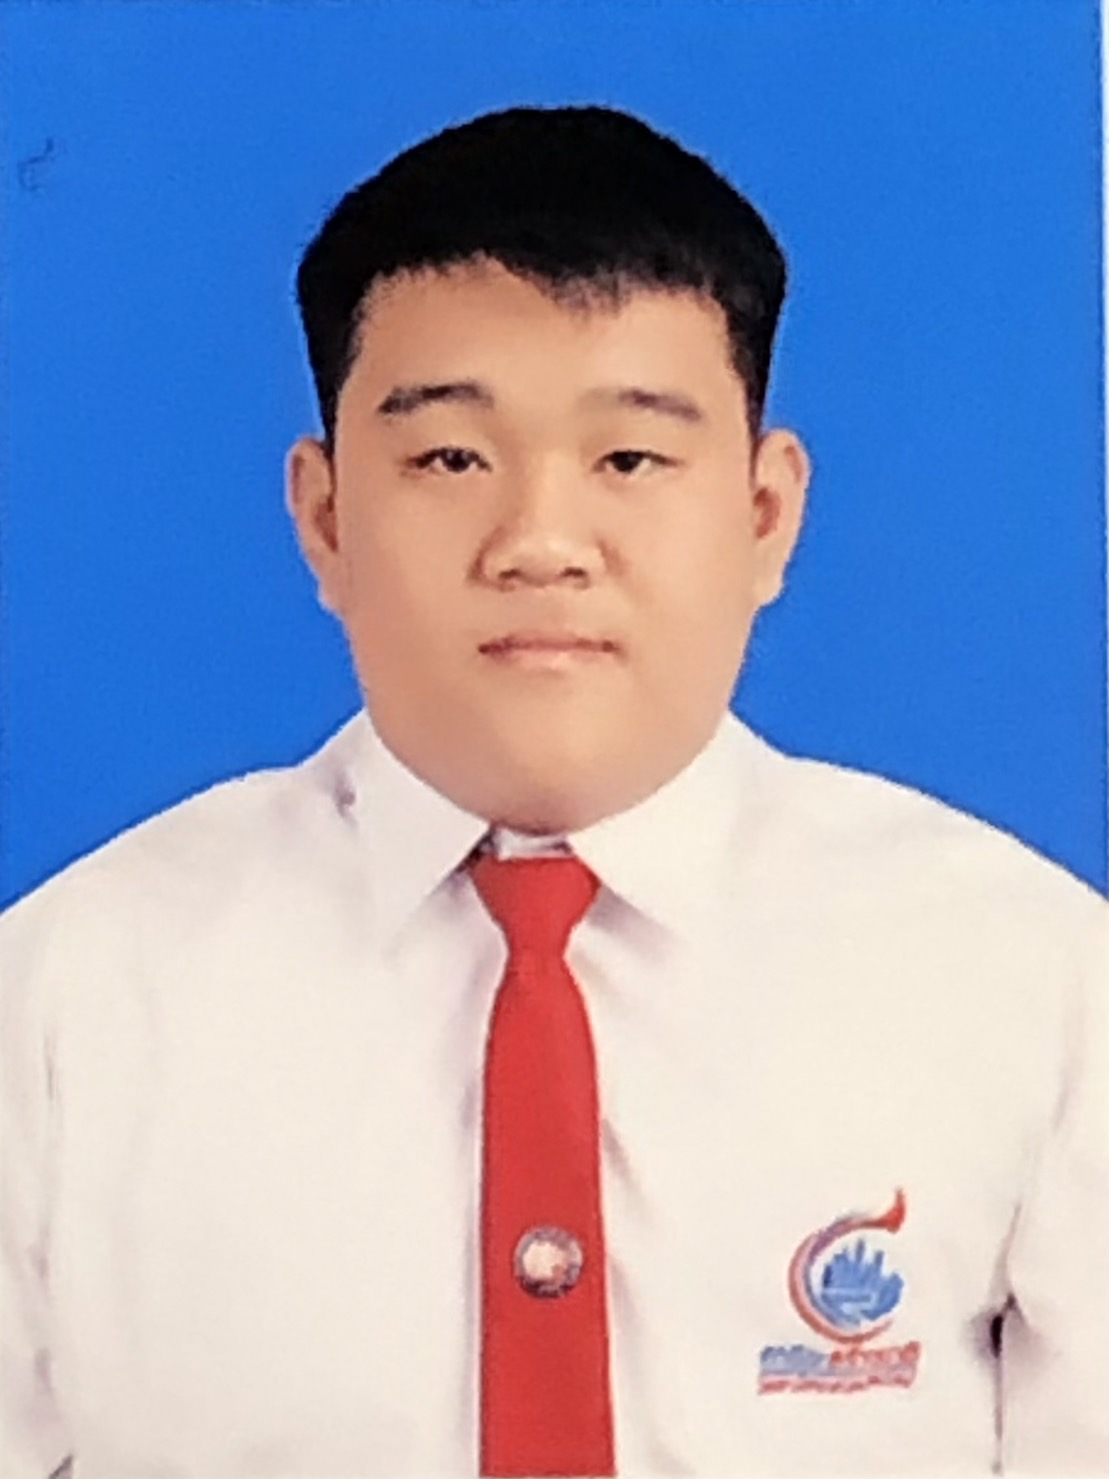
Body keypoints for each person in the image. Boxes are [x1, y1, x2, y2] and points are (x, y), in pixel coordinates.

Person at [0, 103, 1106, 1479]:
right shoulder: (67, 1000)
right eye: (450, 460)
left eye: (629, 459)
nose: (538, 542)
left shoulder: (1032, 981)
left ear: (764, 514)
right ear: (326, 518)